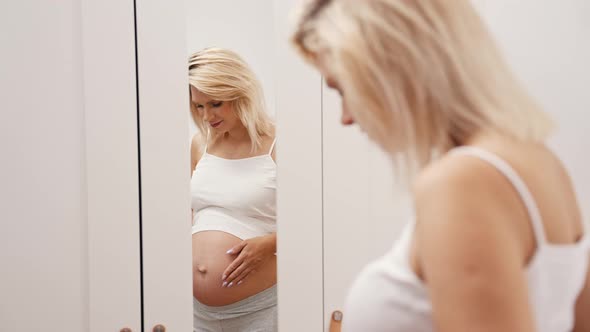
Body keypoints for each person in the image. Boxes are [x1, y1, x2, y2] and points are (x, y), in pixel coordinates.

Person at [292, 1, 590, 331]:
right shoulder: (541, 161)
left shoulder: (462, 181)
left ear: (394, 68)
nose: (345, 117)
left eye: (344, 90)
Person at [188, 47, 278, 332]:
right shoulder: (199, 144)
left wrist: (269, 245)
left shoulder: (279, 144)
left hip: (260, 309)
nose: (206, 116)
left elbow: (316, 223)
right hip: (196, 313)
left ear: (240, 94)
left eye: (215, 104)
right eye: (198, 106)